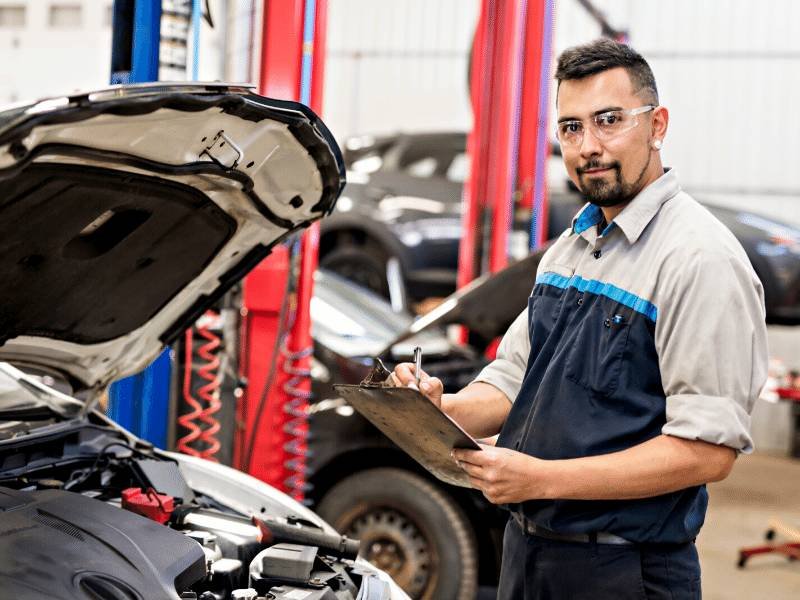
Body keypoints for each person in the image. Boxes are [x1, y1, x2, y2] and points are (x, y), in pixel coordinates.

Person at [390, 38, 768, 599]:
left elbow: (707, 452)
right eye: (571, 128)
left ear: (657, 124)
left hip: (623, 571)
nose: (588, 146)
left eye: (608, 121)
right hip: (528, 553)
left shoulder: (698, 259)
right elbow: (516, 378)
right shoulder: (570, 249)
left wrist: (539, 477)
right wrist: (441, 407)